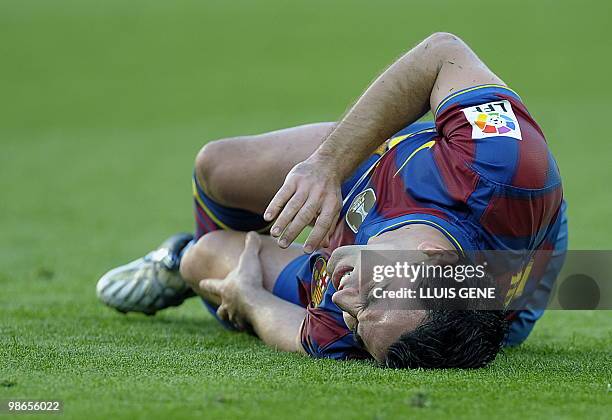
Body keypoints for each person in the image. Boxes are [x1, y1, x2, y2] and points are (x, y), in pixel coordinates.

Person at [96, 33, 567, 368]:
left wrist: (252, 301)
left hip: (455, 286)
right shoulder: (500, 165)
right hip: (513, 245)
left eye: (358, 323)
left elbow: (303, 333)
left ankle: (174, 258)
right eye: (374, 294)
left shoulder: (368, 323)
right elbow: (443, 54)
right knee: (217, 167)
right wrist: (328, 165)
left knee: (202, 259)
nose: (345, 298)